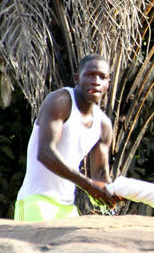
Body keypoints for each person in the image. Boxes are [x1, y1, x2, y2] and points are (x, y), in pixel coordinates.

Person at [14, 53, 121, 221]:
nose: (96, 81)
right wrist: (88, 186)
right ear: (77, 78)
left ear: (108, 83)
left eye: (102, 77)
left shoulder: (103, 124)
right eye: (90, 75)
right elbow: (45, 153)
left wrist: (112, 192)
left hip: (68, 207)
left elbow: (100, 175)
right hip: (36, 201)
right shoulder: (60, 101)